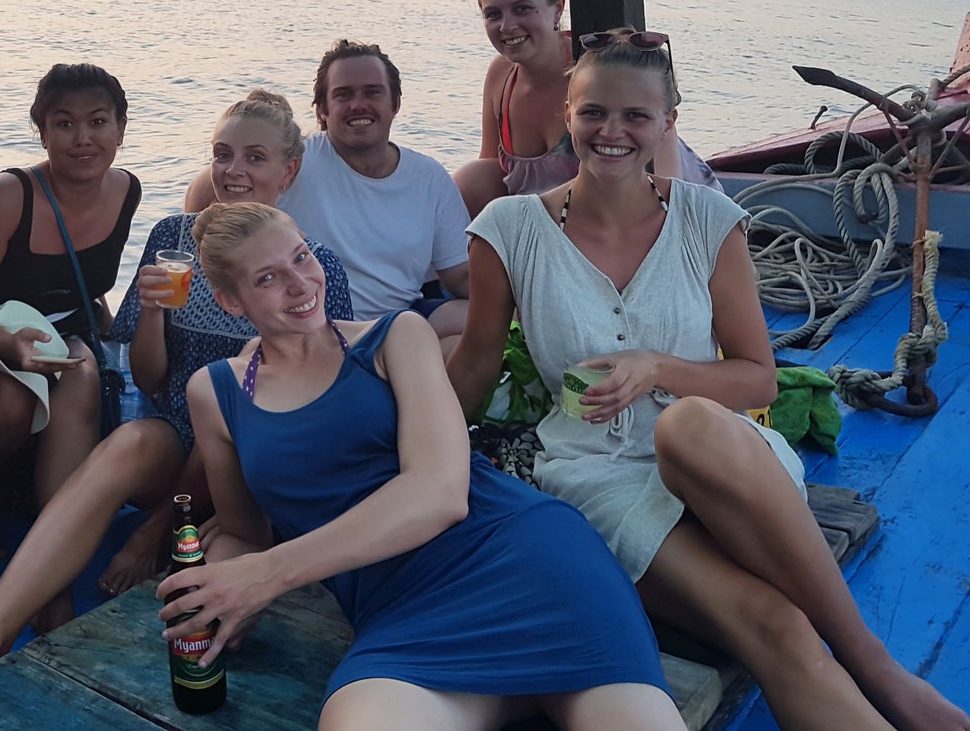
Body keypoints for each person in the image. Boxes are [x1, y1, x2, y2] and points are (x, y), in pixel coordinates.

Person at [450, 31, 970, 731]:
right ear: (567, 116)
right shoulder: (509, 229)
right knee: (775, 626)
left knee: (685, 420)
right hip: (595, 472)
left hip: (725, 459)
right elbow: (478, 363)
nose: (613, 131)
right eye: (594, 112)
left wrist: (658, 368)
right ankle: (872, 685)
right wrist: (400, 440)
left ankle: (874, 663)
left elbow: (759, 381)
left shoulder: (708, 219)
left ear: (668, 123)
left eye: (636, 116)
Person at [0, 91, 354, 726]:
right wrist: (156, 310)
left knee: (212, 629)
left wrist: (159, 529)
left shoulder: (311, 268)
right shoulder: (174, 238)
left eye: (255, 157)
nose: (234, 171)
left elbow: (311, 407)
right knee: (132, 441)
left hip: (254, 466)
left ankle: (157, 541)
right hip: (177, 437)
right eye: (222, 155)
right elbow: (153, 378)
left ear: (288, 170)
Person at [157, 201, 681, 730]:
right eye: (268, 277)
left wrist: (266, 576)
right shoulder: (217, 393)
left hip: (523, 559)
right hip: (402, 613)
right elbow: (246, 535)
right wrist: (217, 596)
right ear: (229, 300)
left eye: (301, 257)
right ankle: (521, 698)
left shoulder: (395, 338)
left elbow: (440, 493)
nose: (299, 284)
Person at [0, 63, 141, 567]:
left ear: (120, 128)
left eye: (98, 122)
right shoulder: (5, 199)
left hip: (64, 327)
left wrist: (106, 334)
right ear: (42, 130)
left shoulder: (126, 191)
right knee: (8, 400)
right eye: (64, 123)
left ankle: (54, 541)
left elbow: (88, 286)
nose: (82, 138)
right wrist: (9, 346)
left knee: (84, 373)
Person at [183, 39, 470, 339]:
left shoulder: (430, 178)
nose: (358, 104)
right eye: (343, 95)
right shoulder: (295, 162)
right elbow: (217, 184)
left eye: (372, 92)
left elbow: (459, 275)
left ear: (394, 103)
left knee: (479, 320)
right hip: (311, 323)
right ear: (322, 110)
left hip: (397, 323)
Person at [452, 0, 721, 218]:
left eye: (522, 9)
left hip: (642, 214)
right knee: (471, 177)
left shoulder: (597, 69)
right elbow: (490, 170)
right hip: (552, 220)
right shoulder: (501, 75)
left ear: (557, 8)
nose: (507, 26)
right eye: (493, 14)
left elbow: (666, 182)